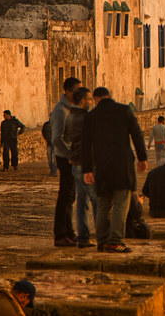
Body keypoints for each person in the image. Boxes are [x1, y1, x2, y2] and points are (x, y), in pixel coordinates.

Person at [82, 87, 149, 253]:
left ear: (96, 99)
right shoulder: (124, 110)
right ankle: (115, 241)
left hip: (102, 166)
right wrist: (142, 158)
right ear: (109, 96)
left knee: (103, 204)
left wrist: (87, 169)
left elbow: (85, 144)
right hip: (122, 165)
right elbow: (137, 134)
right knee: (121, 204)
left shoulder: (91, 116)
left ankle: (102, 241)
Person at [64, 87, 96, 248]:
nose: (91, 102)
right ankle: (103, 238)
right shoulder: (86, 118)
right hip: (86, 164)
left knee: (81, 203)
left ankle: (83, 237)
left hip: (75, 163)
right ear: (83, 100)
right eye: (89, 99)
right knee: (97, 200)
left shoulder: (70, 116)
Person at [50, 77, 81, 247]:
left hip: (70, 157)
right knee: (65, 195)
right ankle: (60, 234)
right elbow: (56, 138)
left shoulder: (71, 108)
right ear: (68, 91)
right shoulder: (61, 110)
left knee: (70, 196)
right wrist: (70, 154)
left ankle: (69, 232)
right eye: (76, 90)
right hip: (64, 158)